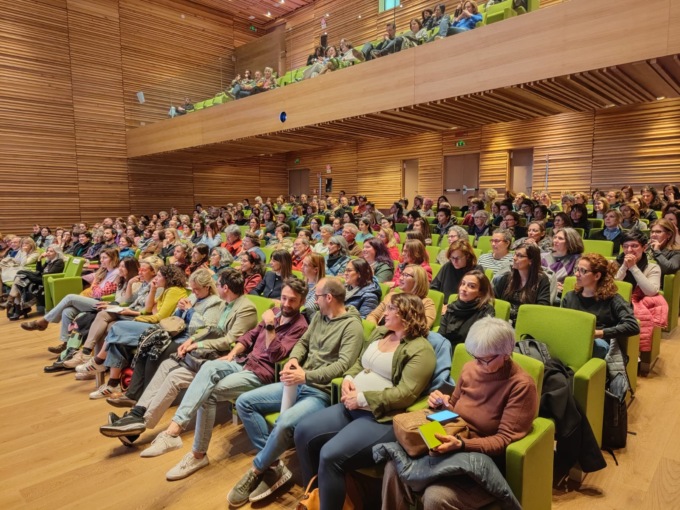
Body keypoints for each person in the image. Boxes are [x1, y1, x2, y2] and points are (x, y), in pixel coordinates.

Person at [102, 278, 310, 478]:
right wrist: (233, 353)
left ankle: (189, 447)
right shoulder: (273, 312)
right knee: (205, 368)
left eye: (292, 300)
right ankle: (174, 434)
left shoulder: (300, 326)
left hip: (260, 374)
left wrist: (270, 327)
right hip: (242, 361)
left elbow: (276, 356)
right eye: (283, 298)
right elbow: (249, 337)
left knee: (206, 391)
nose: (286, 303)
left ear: (302, 302)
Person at [227, 278, 364, 507]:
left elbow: (343, 365)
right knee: (244, 403)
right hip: (296, 381)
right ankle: (274, 467)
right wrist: (293, 360)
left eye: (317, 296)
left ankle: (257, 469)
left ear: (328, 298)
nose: (314, 301)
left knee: (283, 423)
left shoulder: (352, 326)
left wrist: (306, 376)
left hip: (319, 392)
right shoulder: (320, 317)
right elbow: (303, 343)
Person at [295, 294, 436, 510]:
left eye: (390, 308)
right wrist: (349, 379)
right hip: (351, 406)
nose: (384, 312)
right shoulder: (381, 333)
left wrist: (362, 398)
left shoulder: (421, 349)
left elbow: (406, 394)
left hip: (379, 418)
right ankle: (314, 498)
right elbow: (360, 363)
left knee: (330, 454)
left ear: (407, 315)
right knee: (303, 431)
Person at [381, 317, 538, 510]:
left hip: (479, 462)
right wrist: (441, 405)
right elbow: (454, 410)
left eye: (484, 360)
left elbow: (503, 440)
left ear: (506, 354)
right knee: (393, 467)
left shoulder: (521, 385)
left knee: (436, 497)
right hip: (453, 442)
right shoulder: (469, 368)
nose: (477, 364)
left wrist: (463, 445)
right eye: (475, 357)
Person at [100, 268, 259, 445]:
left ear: (226, 287)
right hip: (206, 354)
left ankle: (136, 425)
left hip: (221, 358)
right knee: (167, 365)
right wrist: (191, 340)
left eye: (218, 284)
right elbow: (209, 329)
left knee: (173, 375)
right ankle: (136, 415)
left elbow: (229, 341)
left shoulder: (246, 308)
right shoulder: (226, 304)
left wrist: (197, 344)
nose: (216, 286)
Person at [78, 265, 187, 398]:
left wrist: (138, 318)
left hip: (161, 330)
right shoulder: (166, 290)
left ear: (168, 278)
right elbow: (148, 310)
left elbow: (160, 317)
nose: (156, 278)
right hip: (155, 324)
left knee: (116, 327)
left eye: (159, 276)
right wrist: (152, 290)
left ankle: (98, 361)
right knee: (117, 340)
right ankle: (113, 384)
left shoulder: (174, 290)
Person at [60, 257, 163, 372]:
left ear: (153, 272)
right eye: (139, 270)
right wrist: (129, 284)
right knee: (104, 324)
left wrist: (128, 310)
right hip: (129, 311)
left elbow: (149, 310)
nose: (139, 272)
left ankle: (88, 356)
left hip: (138, 316)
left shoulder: (157, 287)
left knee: (102, 316)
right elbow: (129, 300)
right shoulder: (144, 284)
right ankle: (93, 361)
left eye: (143, 270)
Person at [562, 254, 640, 358]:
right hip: (572, 338)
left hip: (598, 342)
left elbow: (633, 326)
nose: (576, 274)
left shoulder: (613, 300)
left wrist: (599, 333)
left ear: (597, 276)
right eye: (576, 269)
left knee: (588, 347)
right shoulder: (570, 296)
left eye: (583, 271)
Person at [615, 231, 668, 353]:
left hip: (638, 302)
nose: (629, 250)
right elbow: (614, 286)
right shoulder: (616, 264)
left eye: (634, 246)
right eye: (625, 246)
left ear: (644, 248)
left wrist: (633, 268)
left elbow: (650, 291)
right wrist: (624, 266)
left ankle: (632, 353)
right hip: (618, 300)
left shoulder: (653, 267)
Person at [494, 243, 552, 323]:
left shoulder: (541, 280)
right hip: (503, 322)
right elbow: (494, 300)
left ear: (531, 261)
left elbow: (542, 308)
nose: (514, 258)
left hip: (527, 323)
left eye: (520, 256)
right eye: (515, 254)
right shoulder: (507, 277)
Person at [5, 245, 66, 320]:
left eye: (51, 251)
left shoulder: (59, 262)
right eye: (47, 251)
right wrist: (39, 259)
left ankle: (13, 303)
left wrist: (32, 276)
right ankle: (15, 306)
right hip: (41, 278)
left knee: (20, 275)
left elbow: (48, 274)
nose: (48, 253)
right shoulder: (49, 261)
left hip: (46, 281)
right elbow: (39, 271)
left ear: (57, 253)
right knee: (19, 281)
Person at [439, 269, 495, 347]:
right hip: (445, 351)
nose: (463, 289)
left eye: (471, 286)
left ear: (480, 292)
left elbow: (479, 343)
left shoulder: (486, 311)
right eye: (463, 284)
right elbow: (440, 336)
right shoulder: (452, 307)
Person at [369, 264, 436, 327]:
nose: (401, 278)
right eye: (402, 274)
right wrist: (377, 330)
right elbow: (373, 316)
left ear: (418, 280)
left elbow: (422, 327)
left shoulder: (426, 303)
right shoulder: (391, 296)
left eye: (406, 275)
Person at [542, 227, 583, 298]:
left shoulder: (577, 259)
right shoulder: (542, 257)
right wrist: (552, 284)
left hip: (564, 294)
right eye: (555, 237)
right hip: (543, 292)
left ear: (570, 242)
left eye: (560, 238)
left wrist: (566, 286)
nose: (555, 241)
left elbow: (577, 281)